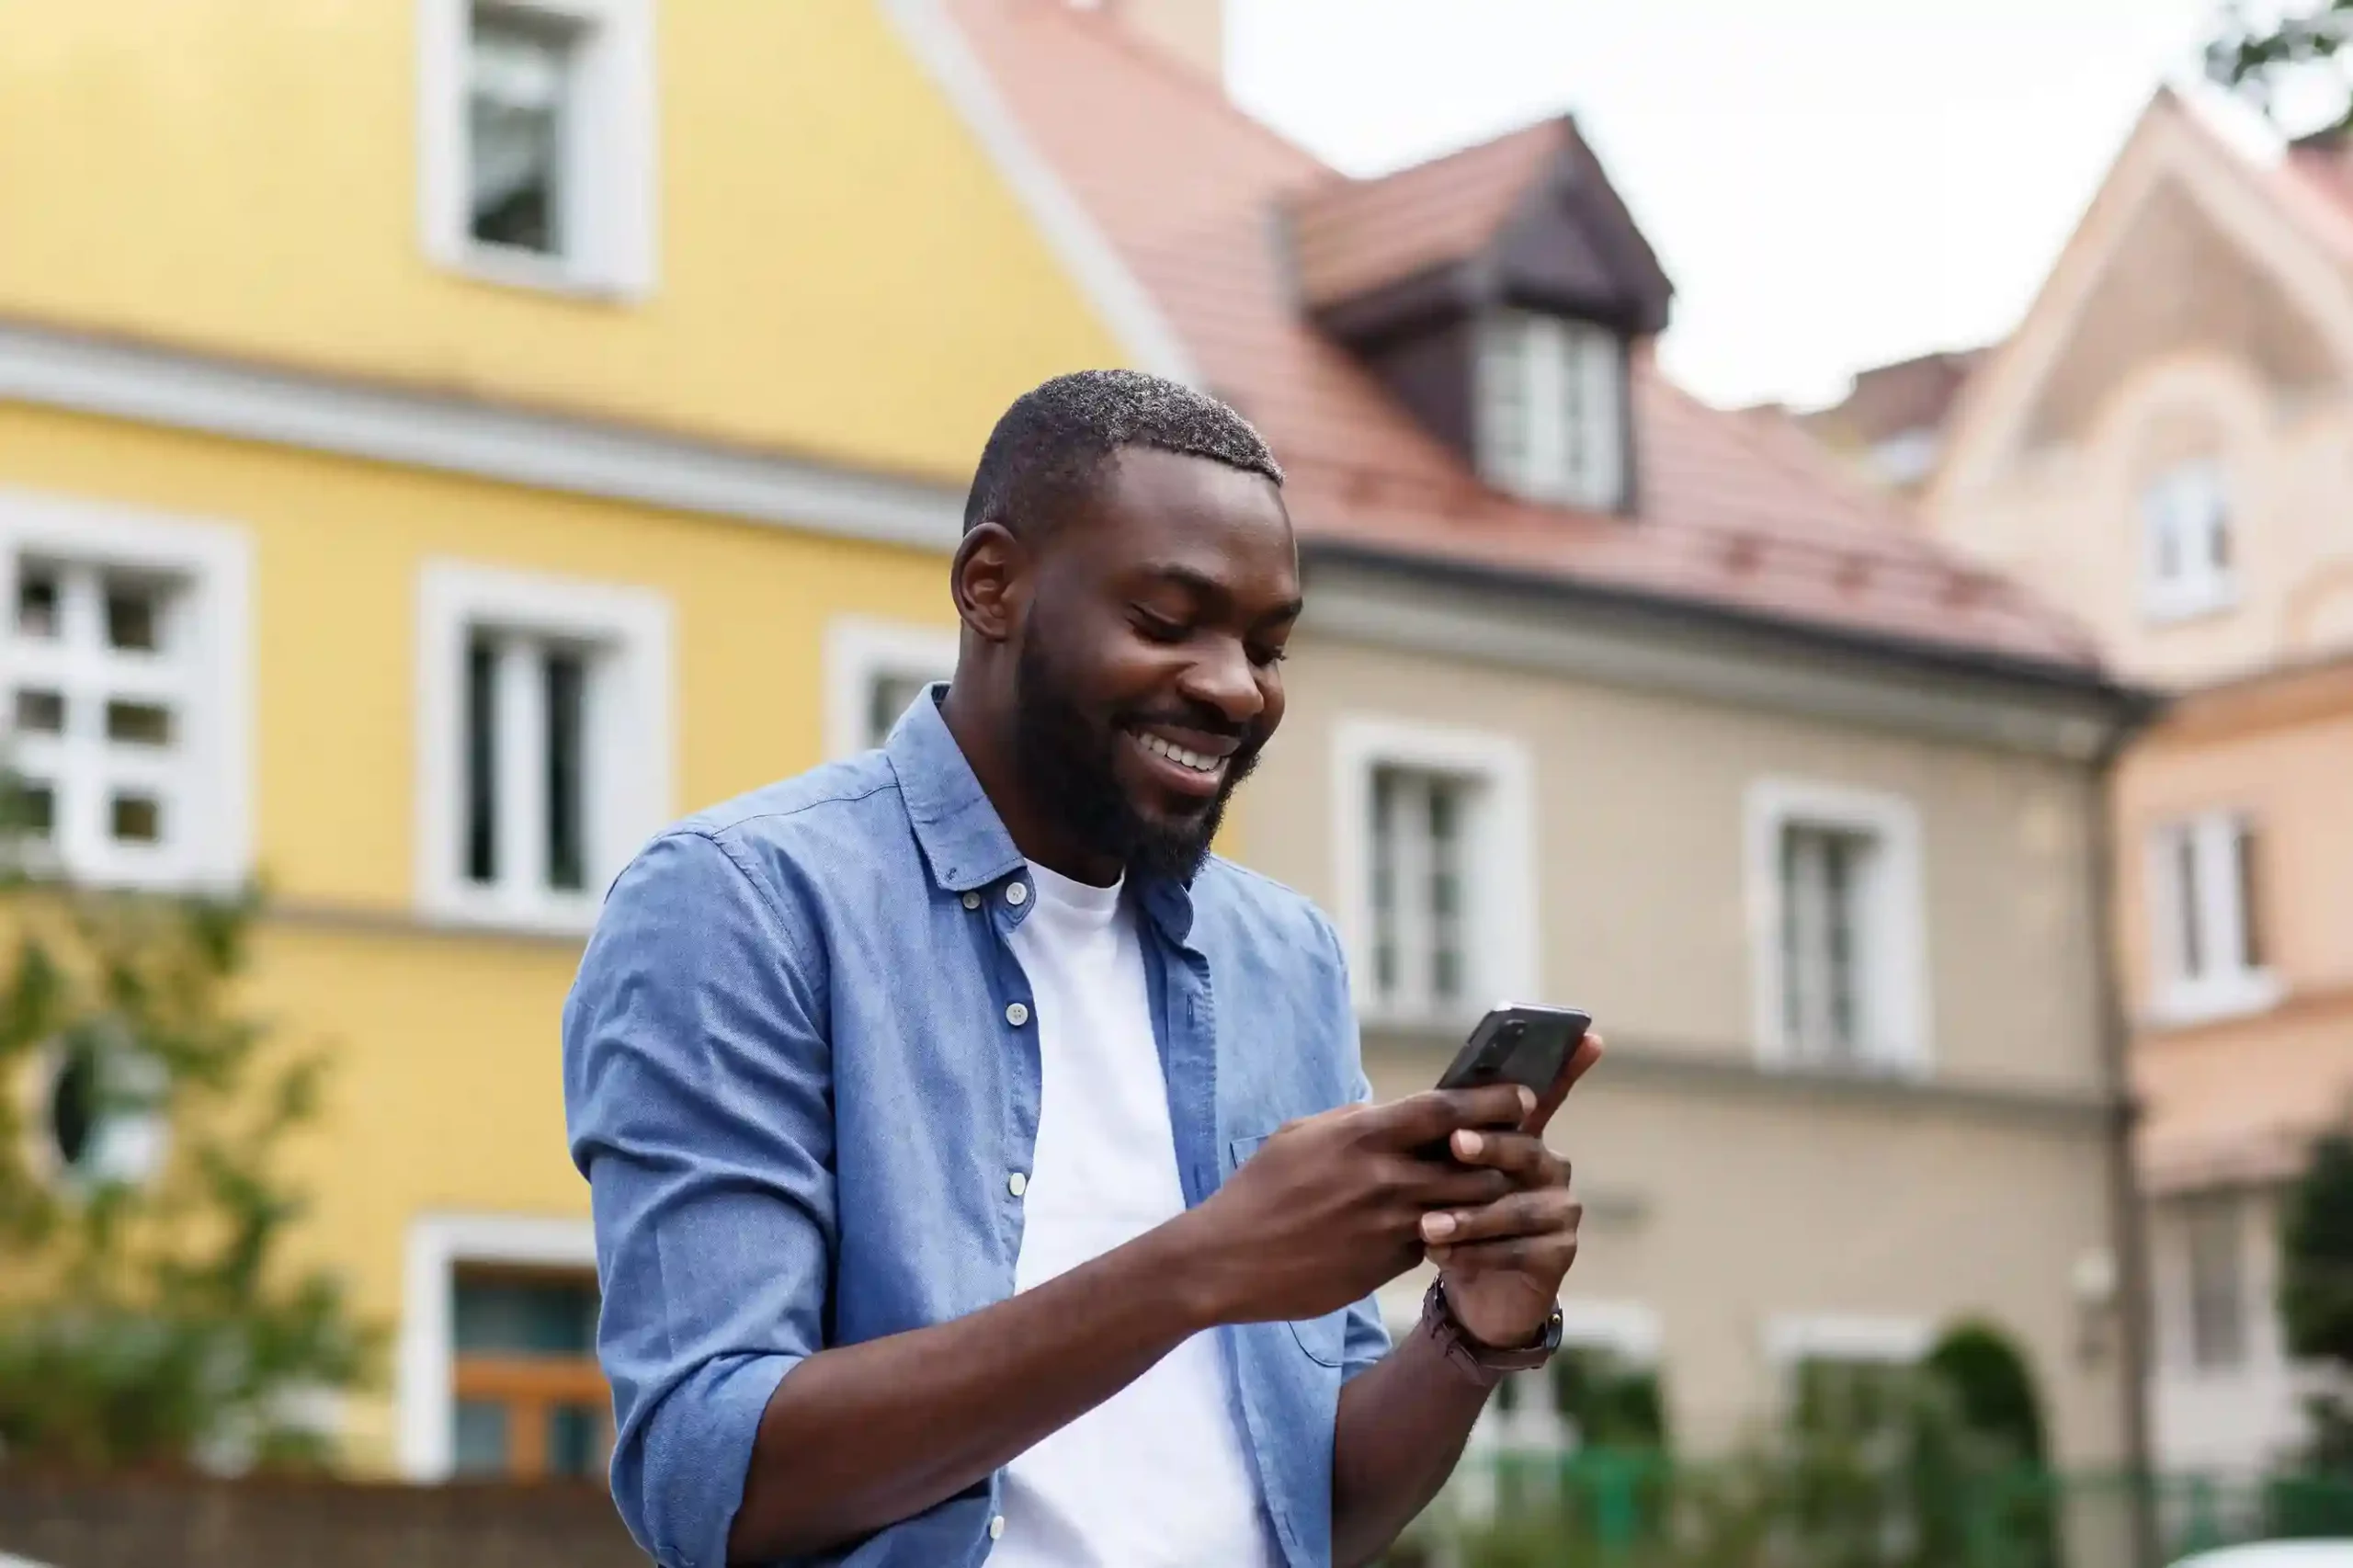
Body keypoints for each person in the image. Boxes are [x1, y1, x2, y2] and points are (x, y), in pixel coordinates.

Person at [563, 369, 1600, 1568]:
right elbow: (710, 1478)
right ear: (991, 585)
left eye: (1266, 645)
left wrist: (1468, 1332)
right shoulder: (739, 903)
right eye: (1167, 622)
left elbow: (1316, 1507)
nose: (1233, 687)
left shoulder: (1283, 957)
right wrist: (1202, 1265)